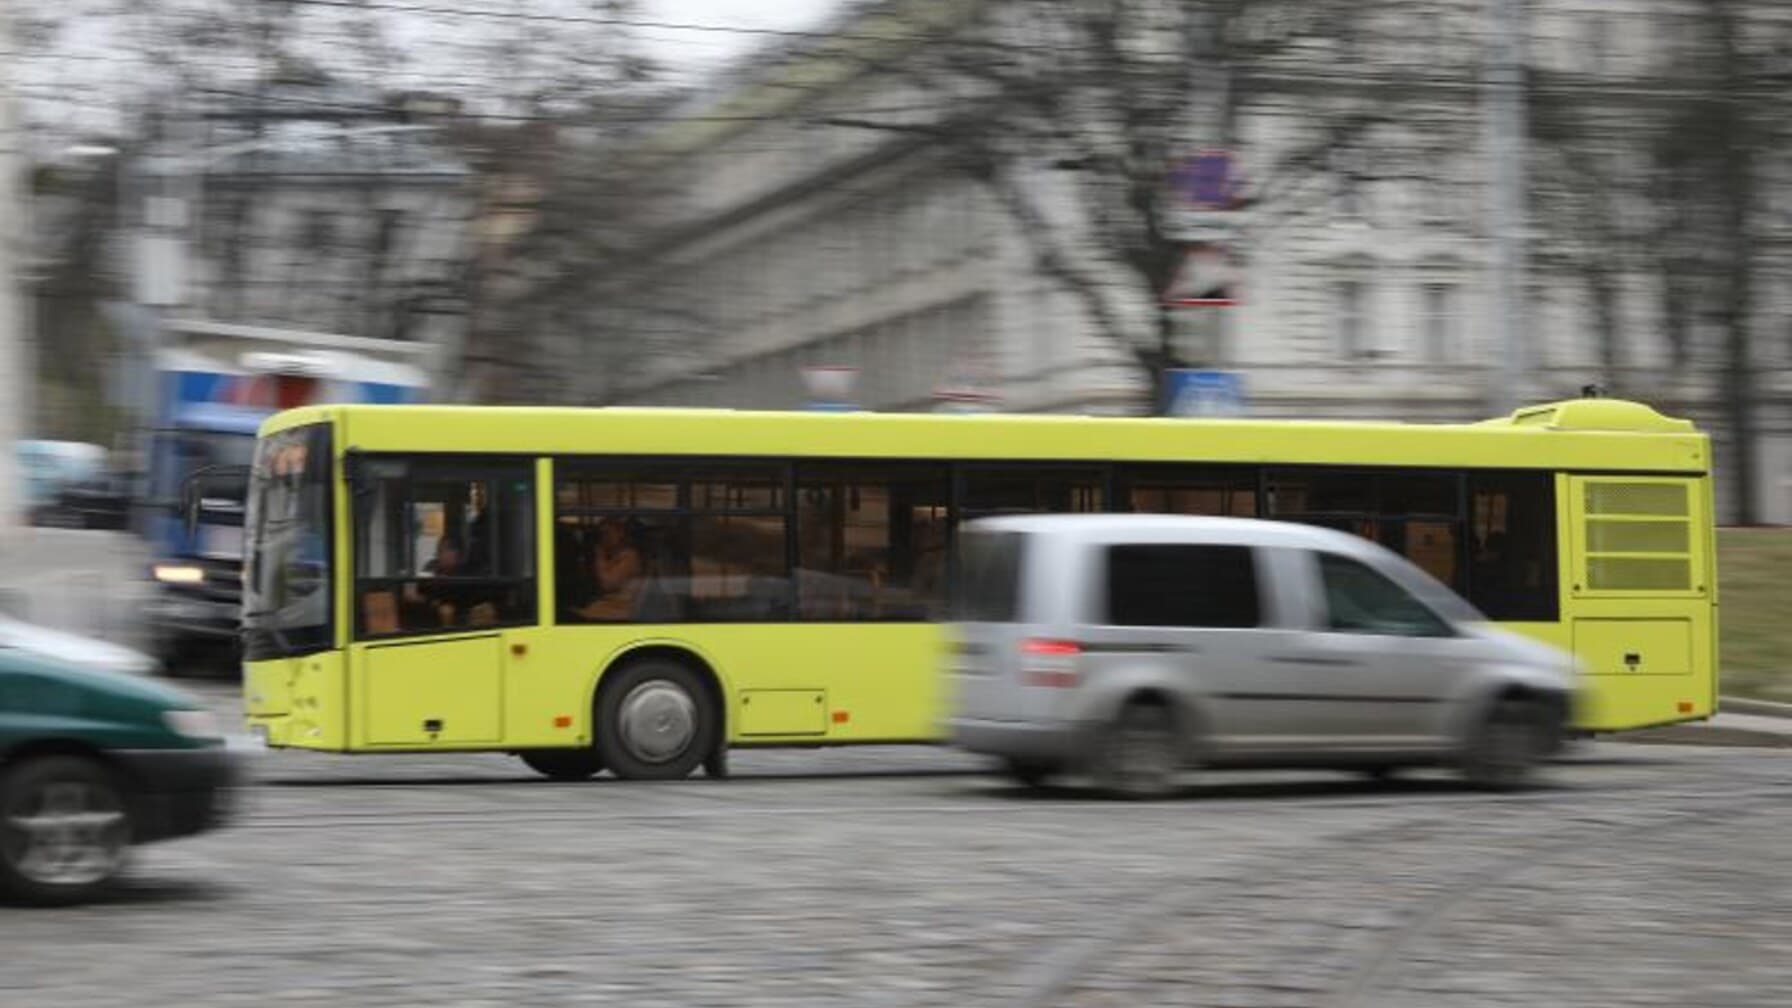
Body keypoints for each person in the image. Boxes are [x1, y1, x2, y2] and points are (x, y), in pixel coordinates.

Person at [575, 518, 644, 620]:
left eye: (608, 533)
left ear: (620, 533)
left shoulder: (629, 557)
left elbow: (607, 584)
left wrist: (599, 555)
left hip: (619, 610)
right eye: (602, 534)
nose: (604, 538)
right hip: (606, 605)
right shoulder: (612, 555)